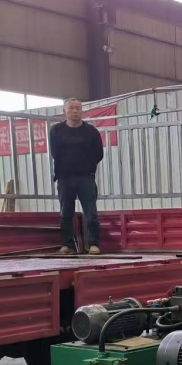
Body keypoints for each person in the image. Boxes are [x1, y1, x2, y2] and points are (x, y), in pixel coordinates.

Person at [50, 98, 103, 255]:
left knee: (90, 212)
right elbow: (55, 153)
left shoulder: (91, 131)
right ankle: (67, 245)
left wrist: (87, 167)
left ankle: (93, 244)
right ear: (64, 111)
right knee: (66, 212)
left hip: (85, 177)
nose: (75, 111)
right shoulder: (56, 130)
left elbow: (98, 153)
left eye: (78, 108)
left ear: (82, 111)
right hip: (65, 177)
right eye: (71, 108)